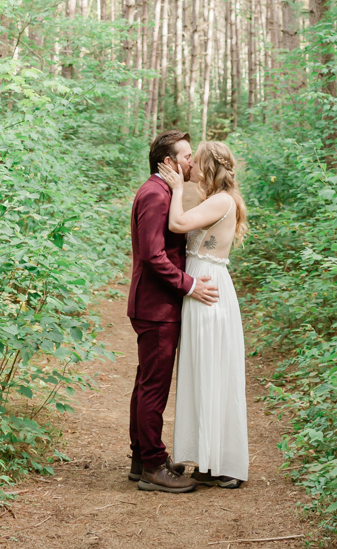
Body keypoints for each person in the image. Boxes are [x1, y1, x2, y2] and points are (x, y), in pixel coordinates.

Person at [127, 129, 219, 494]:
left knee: (145, 383)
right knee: (153, 388)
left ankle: (142, 457)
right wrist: (190, 285)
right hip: (156, 306)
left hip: (156, 305)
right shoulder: (155, 194)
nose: (192, 161)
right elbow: (153, 256)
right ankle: (151, 466)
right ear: (168, 163)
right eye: (186, 157)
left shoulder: (163, 191)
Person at [159, 140, 249, 489]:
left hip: (208, 289)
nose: (189, 167)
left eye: (194, 162)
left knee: (213, 371)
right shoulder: (214, 198)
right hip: (202, 286)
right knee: (203, 371)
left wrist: (179, 188)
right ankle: (210, 460)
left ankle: (226, 462)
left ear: (208, 167)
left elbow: (180, 223)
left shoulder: (222, 201)